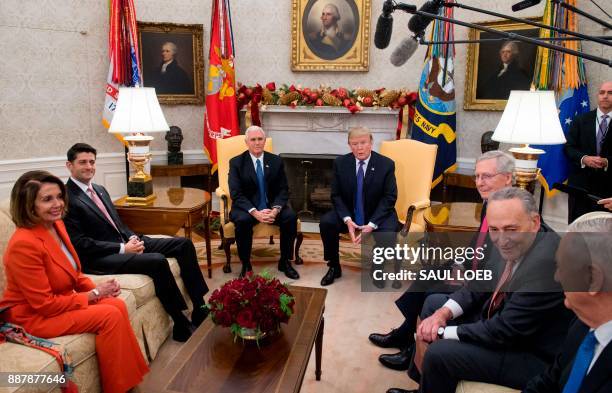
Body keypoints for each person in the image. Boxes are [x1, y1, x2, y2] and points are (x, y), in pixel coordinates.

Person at [387, 187, 573, 393]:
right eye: (494, 229)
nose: (501, 239)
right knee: (434, 304)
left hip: (529, 353)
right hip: (501, 318)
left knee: (440, 353)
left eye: (511, 229)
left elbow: (504, 330)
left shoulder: (546, 264)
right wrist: (442, 314)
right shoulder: (503, 233)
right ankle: (425, 386)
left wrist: (441, 331)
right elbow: (479, 284)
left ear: (535, 222)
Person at [0, 171, 148, 393]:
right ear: (29, 205)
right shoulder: (24, 244)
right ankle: (120, 388)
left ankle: (126, 382)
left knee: (117, 304)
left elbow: (75, 274)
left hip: (60, 300)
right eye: (47, 199)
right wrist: (95, 295)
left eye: (59, 196)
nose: (58, 204)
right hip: (33, 316)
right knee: (109, 315)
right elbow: (45, 305)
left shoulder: (57, 225)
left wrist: (99, 289)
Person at [370, 151, 515, 371]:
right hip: (472, 268)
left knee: (432, 293)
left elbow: (496, 268)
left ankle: (411, 350)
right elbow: (478, 243)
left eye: (487, 176)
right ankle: (405, 334)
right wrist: (458, 264)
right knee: (426, 274)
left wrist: (466, 275)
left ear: (508, 178)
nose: (479, 183)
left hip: (482, 283)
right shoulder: (490, 202)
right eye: (477, 176)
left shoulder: (514, 212)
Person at [62, 143, 209, 342]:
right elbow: (81, 243)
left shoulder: (99, 189)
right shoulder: (65, 198)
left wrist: (131, 237)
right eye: (83, 162)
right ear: (69, 165)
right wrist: (123, 248)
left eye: (92, 162)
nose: (89, 166)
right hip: (99, 257)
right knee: (157, 260)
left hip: (124, 243)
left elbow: (117, 223)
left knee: (183, 244)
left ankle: (200, 305)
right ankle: (180, 322)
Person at [524, 212, 612, 392]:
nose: (557, 277)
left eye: (562, 266)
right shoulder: (581, 326)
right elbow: (547, 382)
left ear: (593, 278)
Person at [319, 126, 399, 286]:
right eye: (354, 144)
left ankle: (378, 266)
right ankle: (334, 266)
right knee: (327, 222)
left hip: (377, 212)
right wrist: (347, 219)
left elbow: (389, 197)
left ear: (371, 143)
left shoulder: (386, 164)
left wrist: (372, 224)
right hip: (350, 212)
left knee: (389, 230)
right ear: (349, 145)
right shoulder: (340, 163)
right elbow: (336, 195)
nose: (359, 147)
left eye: (363, 143)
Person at [228, 126, 299, 279]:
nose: (257, 143)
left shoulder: (276, 161)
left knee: (290, 217)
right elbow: (236, 193)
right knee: (243, 221)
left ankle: (285, 261)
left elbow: (283, 190)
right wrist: (255, 212)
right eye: (253, 139)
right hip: (246, 207)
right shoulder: (236, 163)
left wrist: (275, 210)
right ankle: (246, 263)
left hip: (271, 206)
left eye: (260, 139)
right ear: (246, 142)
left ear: (265, 141)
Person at [565, 81, 612, 223]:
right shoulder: (580, 120)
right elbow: (568, 147)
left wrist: (607, 161)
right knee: (576, 234)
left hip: (607, 191)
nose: (605, 96)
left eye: (610, 93)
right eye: (602, 92)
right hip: (580, 188)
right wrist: (584, 158)